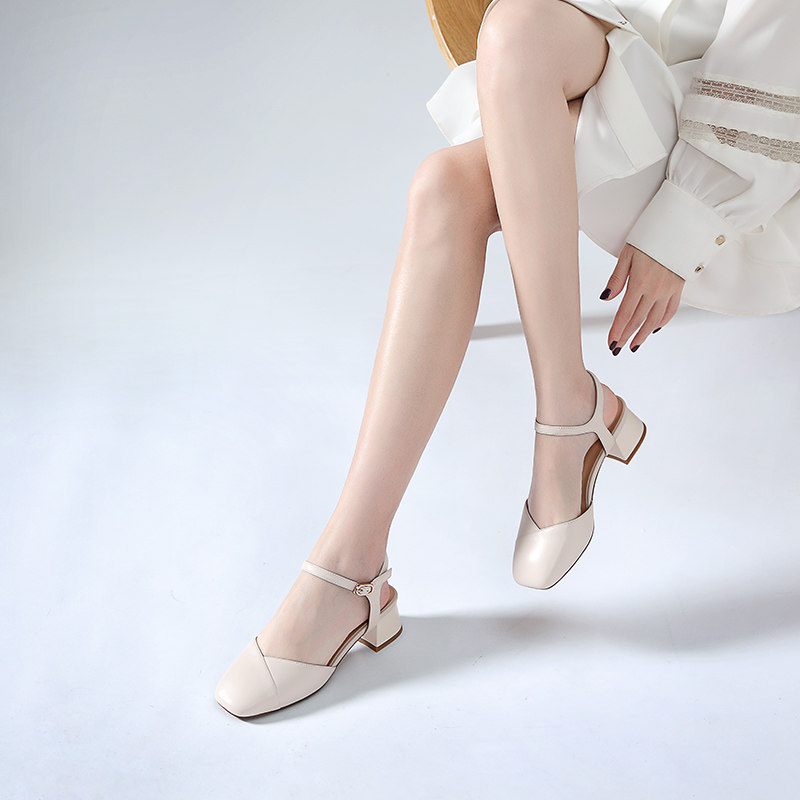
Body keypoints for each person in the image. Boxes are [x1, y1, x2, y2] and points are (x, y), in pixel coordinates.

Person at [214, 0, 800, 718]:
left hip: (744, 112)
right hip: (617, 41)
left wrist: (691, 214)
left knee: (514, 43)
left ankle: (565, 416)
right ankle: (351, 565)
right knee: (443, 186)